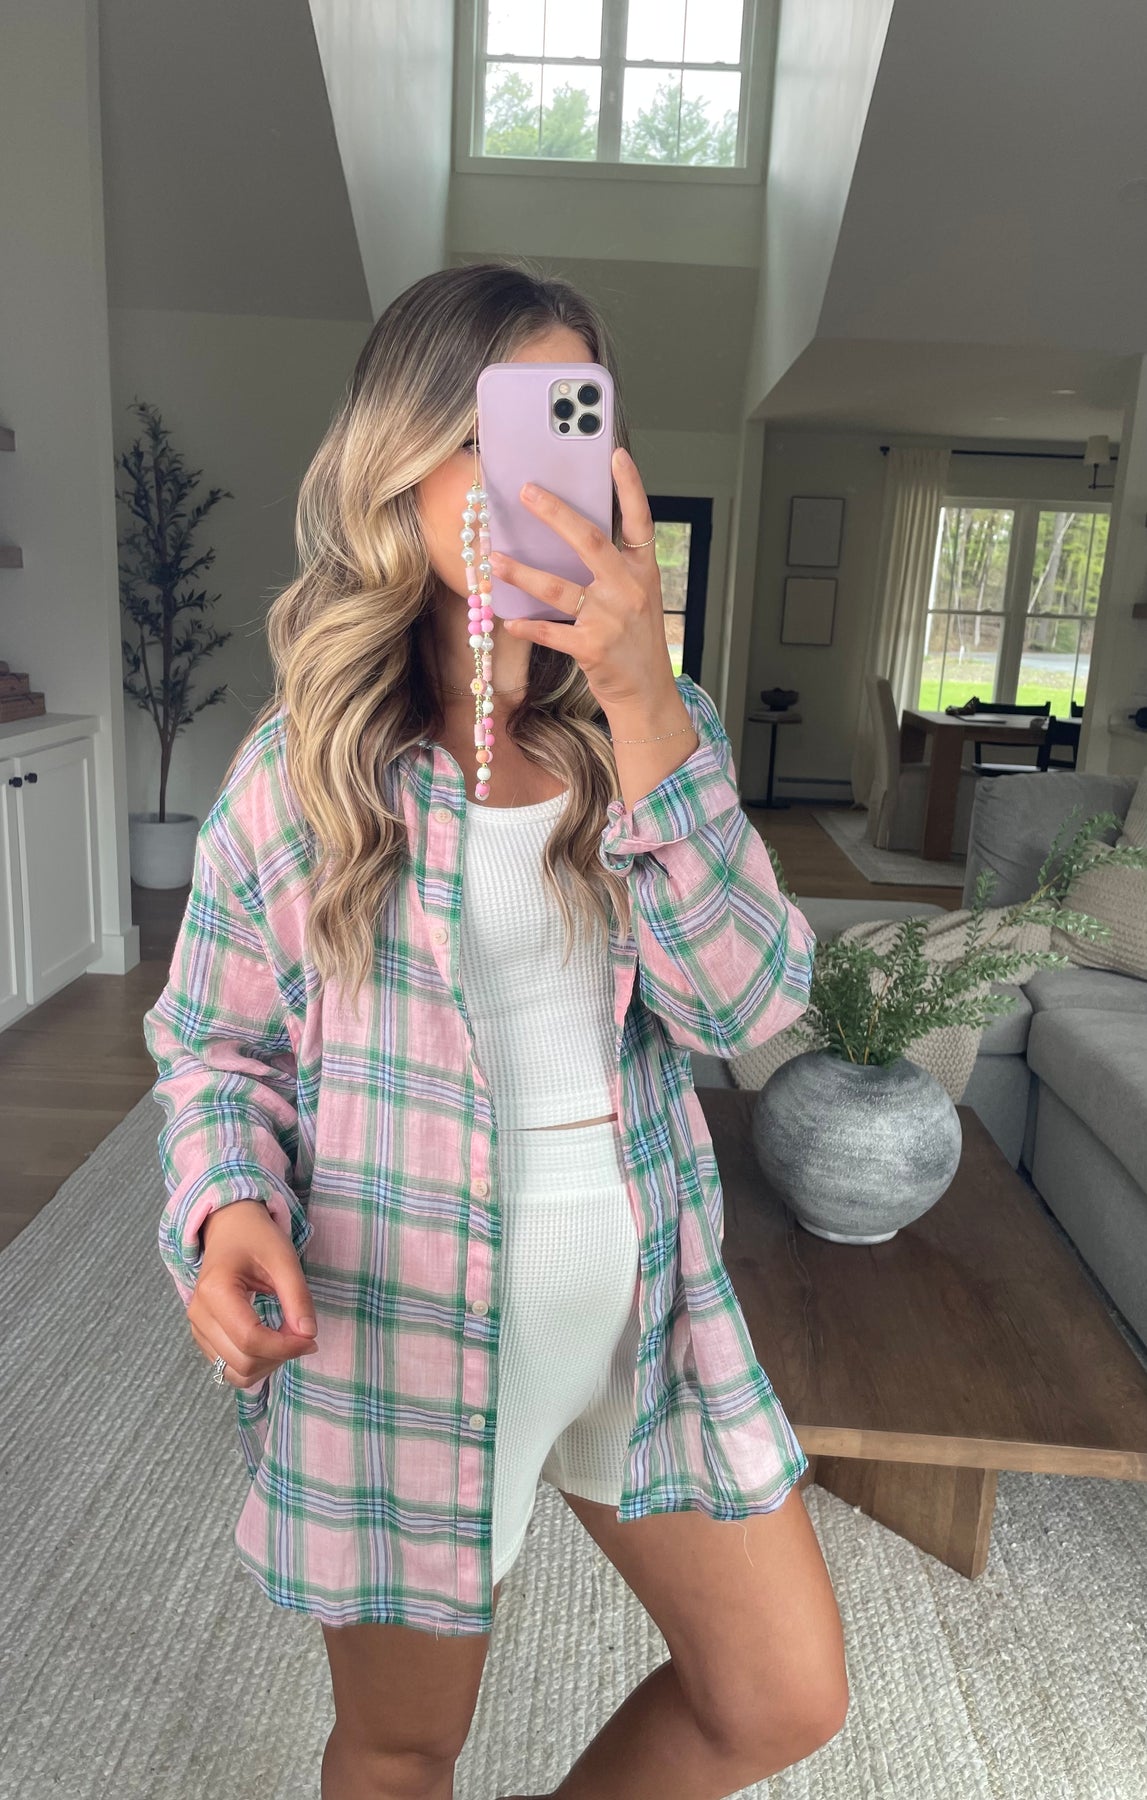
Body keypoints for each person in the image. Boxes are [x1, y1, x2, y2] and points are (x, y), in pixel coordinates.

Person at [143, 261, 848, 1800]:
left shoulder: (645, 738)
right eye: (482, 432)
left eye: (565, 423)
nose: (529, 474)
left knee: (780, 1693)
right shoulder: (303, 770)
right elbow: (212, 1050)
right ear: (396, 469)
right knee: (404, 1749)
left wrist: (646, 702)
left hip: (642, 1306)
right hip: (394, 1316)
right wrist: (228, 1206)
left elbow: (748, 1008)